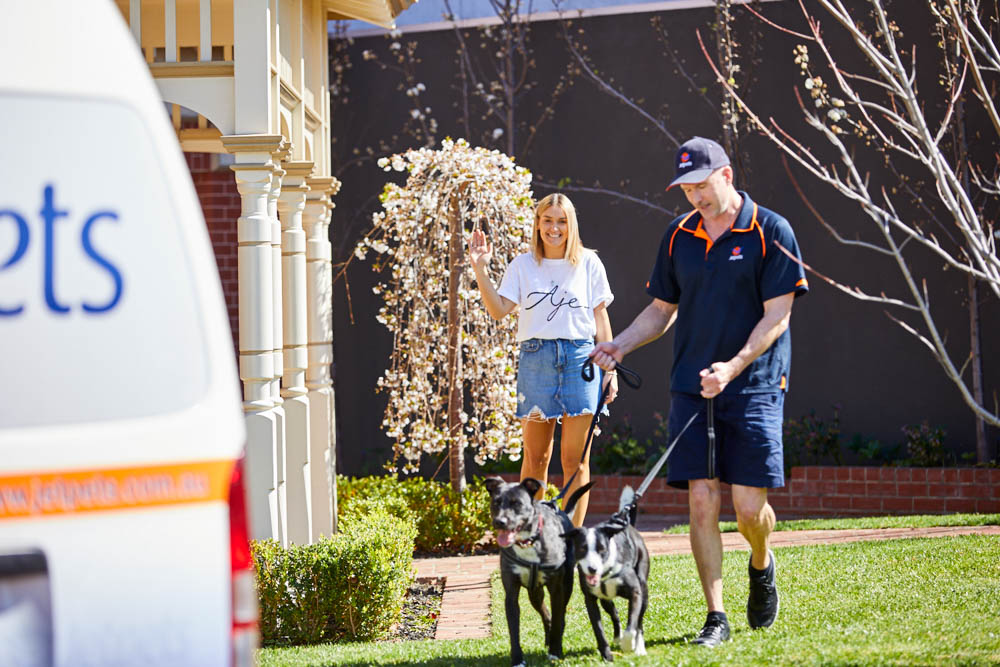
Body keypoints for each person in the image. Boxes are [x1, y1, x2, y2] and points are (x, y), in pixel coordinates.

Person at [590, 137, 809, 646]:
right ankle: (716, 616)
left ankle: (761, 562)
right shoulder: (679, 235)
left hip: (754, 383)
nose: (695, 197)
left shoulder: (770, 230)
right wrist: (620, 344)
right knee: (702, 501)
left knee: (749, 509)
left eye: (702, 186)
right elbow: (662, 309)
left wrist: (733, 367)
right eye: (687, 189)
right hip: (692, 387)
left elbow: (778, 316)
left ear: (726, 175)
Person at [470, 193, 617, 527]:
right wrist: (480, 268)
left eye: (562, 221)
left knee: (575, 461)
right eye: (548, 220)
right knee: (536, 458)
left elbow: (600, 316)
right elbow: (499, 310)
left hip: (581, 361)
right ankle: (534, 534)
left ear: (571, 225)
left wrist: (611, 370)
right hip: (536, 362)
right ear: (537, 224)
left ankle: (570, 537)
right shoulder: (523, 265)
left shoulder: (589, 263)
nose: (554, 228)